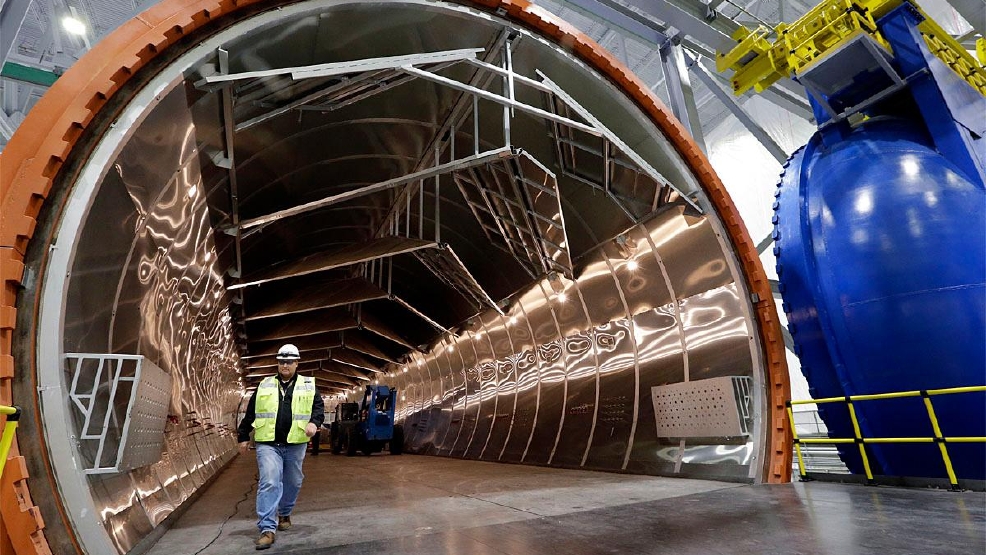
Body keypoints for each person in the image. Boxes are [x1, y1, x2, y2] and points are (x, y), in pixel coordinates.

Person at [238, 343, 324, 550]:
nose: (285, 365)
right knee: (269, 481)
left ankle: (284, 511)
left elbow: (318, 408)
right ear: (277, 363)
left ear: (296, 363)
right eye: (281, 361)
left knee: (293, 481)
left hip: (295, 443)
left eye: (289, 361)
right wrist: (243, 436)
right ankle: (267, 529)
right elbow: (251, 412)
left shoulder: (308, 385)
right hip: (268, 443)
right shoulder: (264, 385)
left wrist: (314, 422)